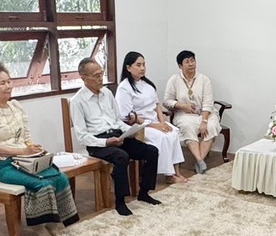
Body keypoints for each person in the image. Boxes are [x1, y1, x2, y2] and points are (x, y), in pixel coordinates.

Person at [0, 63, 78, 236]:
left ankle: (54, 220)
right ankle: (38, 224)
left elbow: (26, 139)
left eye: (9, 81)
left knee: (60, 176)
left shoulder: (16, 107)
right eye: (2, 83)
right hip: (4, 166)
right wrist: (23, 152)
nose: (8, 86)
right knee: (40, 183)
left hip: (27, 160)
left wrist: (33, 147)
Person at [70, 57, 160, 217]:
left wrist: (130, 130)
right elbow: (82, 136)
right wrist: (106, 142)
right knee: (122, 156)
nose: (100, 79)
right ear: (83, 78)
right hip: (98, 143)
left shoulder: (107, 93)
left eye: (101, 74)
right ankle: (120, 201)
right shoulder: (77, 101)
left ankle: (144, 192)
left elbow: (117, 120)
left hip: (118, 136)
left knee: (151, 151)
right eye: (96, 76)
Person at [114, 52, 186, 183]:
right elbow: (129, 116)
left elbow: (157, 105)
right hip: (139, 127)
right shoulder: (124, 88)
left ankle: (177, 172)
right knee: (163, 137)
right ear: (128, 68)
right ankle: (168, 175)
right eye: (138, 65)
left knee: (173, 133)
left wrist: (163, 123)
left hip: (155, 122)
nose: (142, 68)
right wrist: (155, 126)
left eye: (144, 64)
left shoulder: (147, 84)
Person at [163, 50, 220, 173]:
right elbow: (167, 101)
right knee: (187, 126)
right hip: (184, 114)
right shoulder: (174, 80)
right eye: (187, 62)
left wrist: (204, 120)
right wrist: (182, 106)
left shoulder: (204, 80)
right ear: (180, 66)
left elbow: (208, 102)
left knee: (211, 126)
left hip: (206, 114)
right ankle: (200, 161)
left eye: (193, 60)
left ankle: (199, 161)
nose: (191, 64)